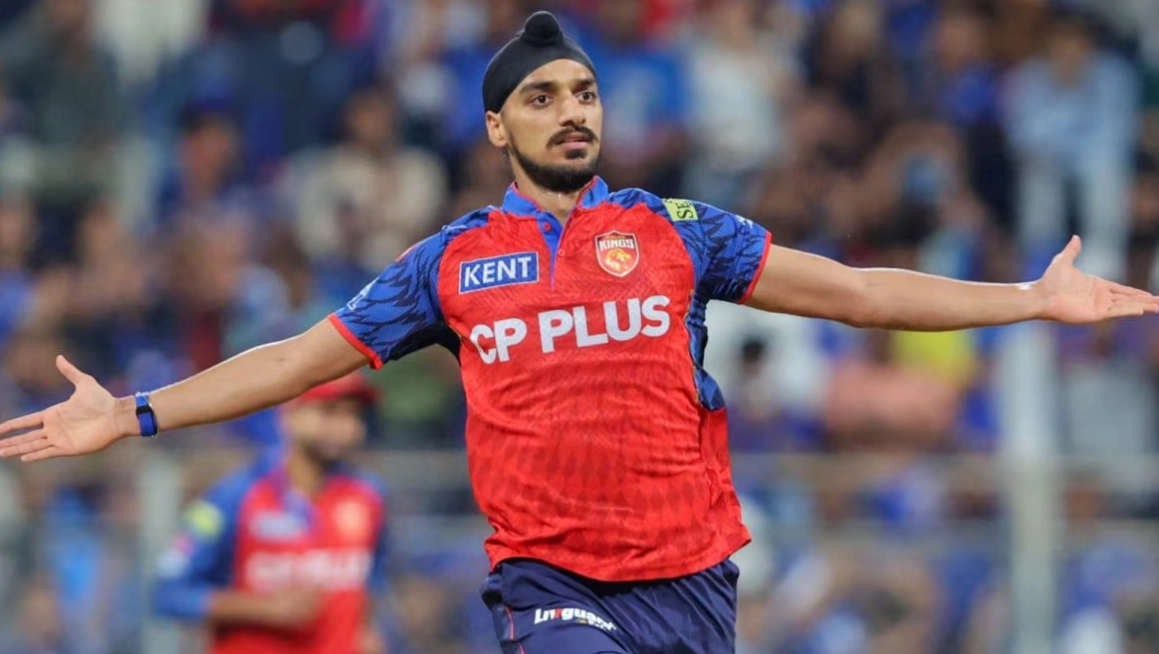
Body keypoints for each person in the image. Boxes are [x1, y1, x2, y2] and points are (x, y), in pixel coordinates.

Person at [1, 10, 1157, 654]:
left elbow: (855, 293)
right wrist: (136, 411)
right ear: (496, 127)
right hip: (549, 580)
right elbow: (293, 362)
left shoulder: (677, 231)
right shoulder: (449, 264)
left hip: (690, 580)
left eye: (586, 93)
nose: (572, 112)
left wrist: (1026, 299)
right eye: (543, 97)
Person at [150, 371, 388, 654]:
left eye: (354, 415)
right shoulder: (234, 496)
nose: (345, 427)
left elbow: (371, 582)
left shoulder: (369, 496)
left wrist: (366, 630)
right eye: (329, 411)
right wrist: (262, 608)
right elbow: (168, 594)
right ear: (289, 414)